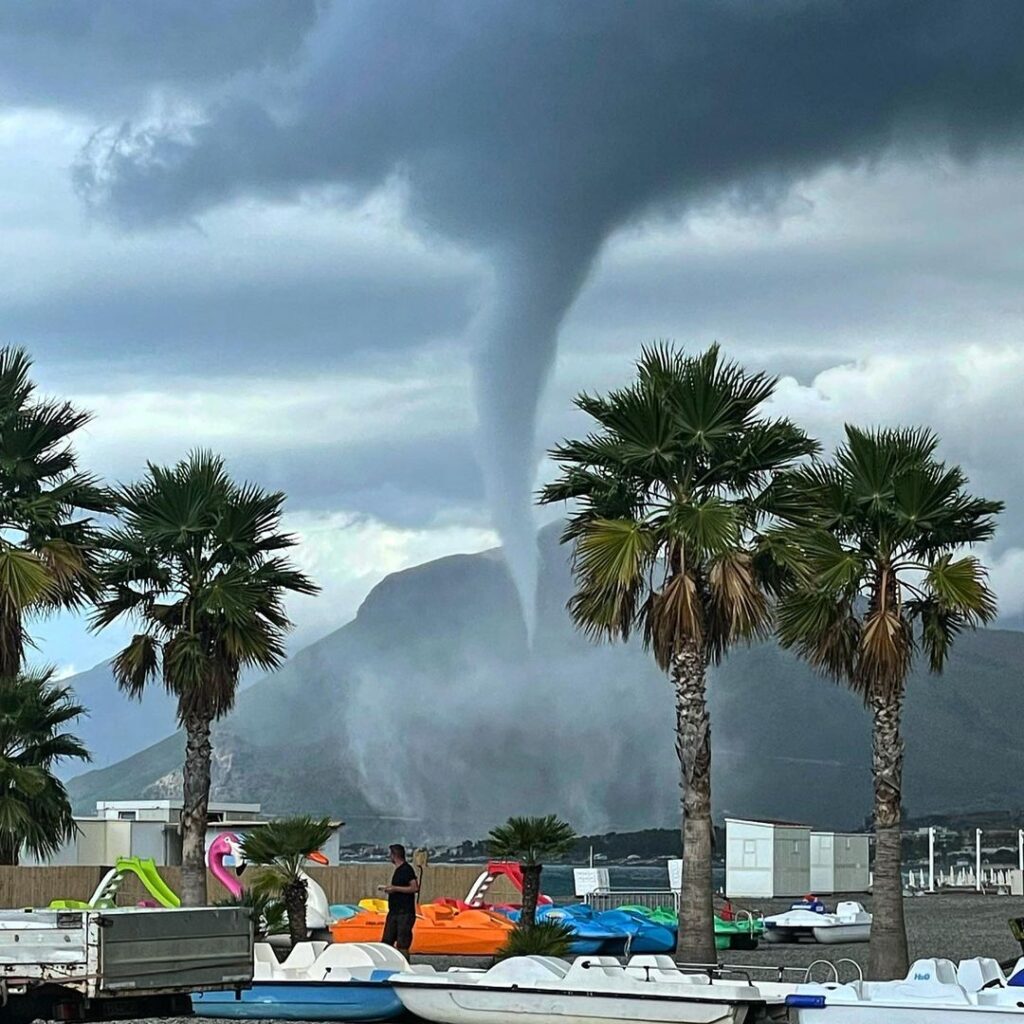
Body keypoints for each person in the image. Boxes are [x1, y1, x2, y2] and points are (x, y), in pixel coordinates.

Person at [379, 843, 419, 955]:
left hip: (405, 912)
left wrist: (395, 888)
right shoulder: (398, 870)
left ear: (394, 855)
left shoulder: (406, 869)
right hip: (394, 912)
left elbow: (414, 887)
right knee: (387, 940)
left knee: (402, 942)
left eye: (390, 854)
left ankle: (404, 964)